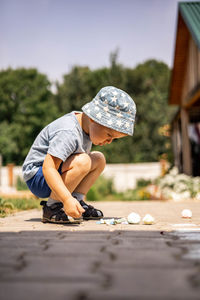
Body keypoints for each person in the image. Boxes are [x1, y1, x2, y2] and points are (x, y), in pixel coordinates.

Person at [22, 86, 136, 224]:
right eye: (109, 135)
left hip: (51, 174)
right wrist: (66, 199)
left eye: (114, 139)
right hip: (38, 176)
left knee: (99, 159)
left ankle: (77, 201)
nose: (109, 141)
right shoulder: (69, 132)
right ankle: (52, 207)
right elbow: (49, 168)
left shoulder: (87, 128)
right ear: (94, 119)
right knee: (84, 161)